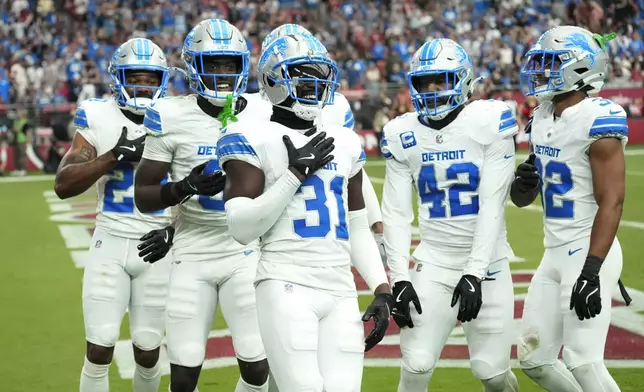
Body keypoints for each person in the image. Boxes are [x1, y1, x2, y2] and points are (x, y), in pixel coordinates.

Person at [217, 33, 393, 392]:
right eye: (302, 73)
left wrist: (381, 287)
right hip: (285, 282)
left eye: (319, 74)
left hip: (341, 289)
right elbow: (240, 227)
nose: (313, 84)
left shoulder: (343, 141)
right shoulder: (251, 135)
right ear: (272, 78)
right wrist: (294, 175)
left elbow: (356, 225)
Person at [133, 19, 271, 392]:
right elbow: (143, 193)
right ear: (194, 65)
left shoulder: (265, 111)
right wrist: (183, 188)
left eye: (229, 64)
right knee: (184, 370)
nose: (223, 73)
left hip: (245, 249)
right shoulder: (170, 115)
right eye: (213, 64)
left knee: (258, 367)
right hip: (192, 249)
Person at [381, 38, 519, 392]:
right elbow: (396, 213)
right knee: (416, 364)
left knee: (491, 372)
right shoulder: (402, 133)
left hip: (487, 264)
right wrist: (398, 279)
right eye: (424, 82)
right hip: (434, 262)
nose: (432, 90)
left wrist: (475, 271)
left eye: (440, 80)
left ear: (462, 79)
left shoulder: (488, 120)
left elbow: (492, 202)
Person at [53, 38, 174, 392]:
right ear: (117, 78)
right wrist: (112, 156)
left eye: (150, 78)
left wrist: (174, 231)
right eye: (134, 76)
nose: (142, 85)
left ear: (162, 81)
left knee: (149, 350)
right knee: (100, 346)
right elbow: (63, 184)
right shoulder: (98, 115)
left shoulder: (176, 117)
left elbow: (192, 188)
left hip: (156, 245)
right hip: (111, 239)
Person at [513, 26, 629, 392]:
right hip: (554, 253)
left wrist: (592, 271)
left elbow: (612, 200)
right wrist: (523, 184)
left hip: (587, 248)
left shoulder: (597, 118)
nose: (541, 71)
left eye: (550, 63)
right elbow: (522, 199)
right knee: (534, 360)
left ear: (580, 68)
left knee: (582, 360)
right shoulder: (542, 115)